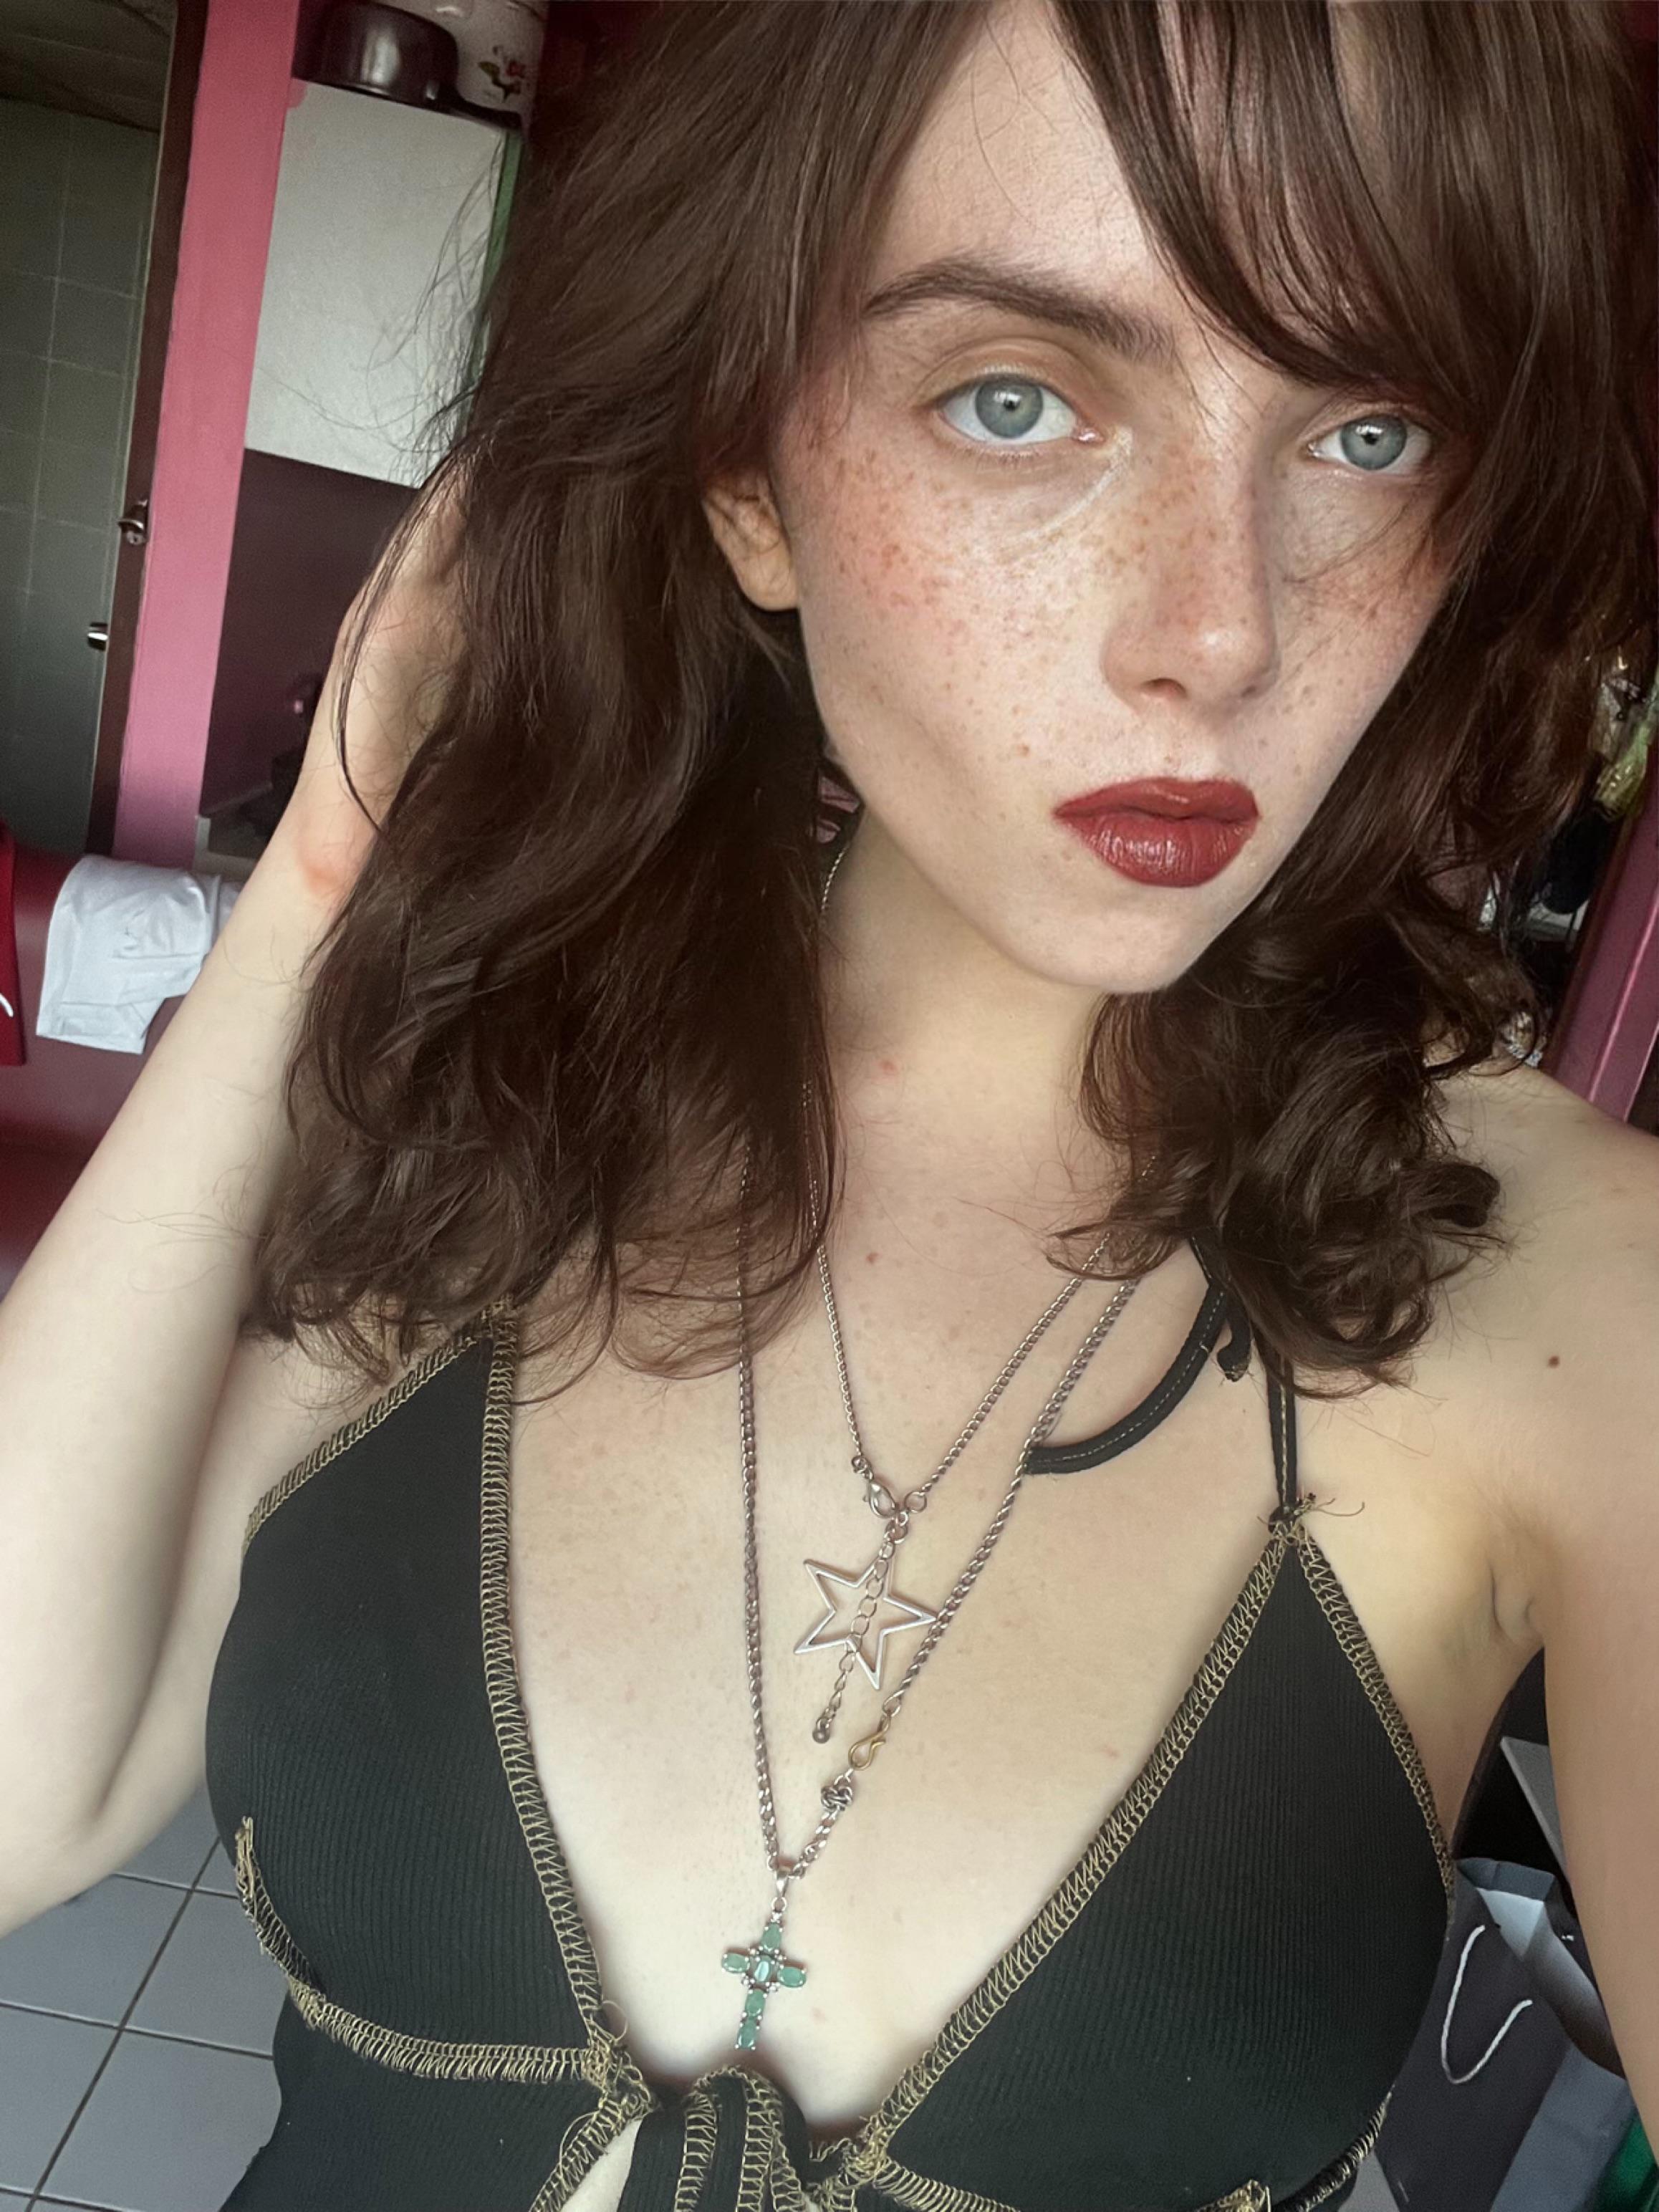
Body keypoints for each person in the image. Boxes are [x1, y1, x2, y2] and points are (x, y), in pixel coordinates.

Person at [1, 2, 1654, 2207]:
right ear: (746, 484)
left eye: (1365, 433)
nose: (1216, 635)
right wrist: (330, 873)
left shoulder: (1574, 1289)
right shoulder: (512, 1095)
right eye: (1016, 399)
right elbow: (24, 1791)